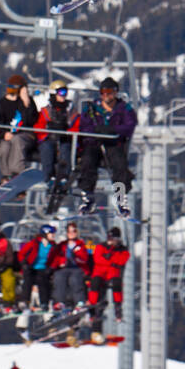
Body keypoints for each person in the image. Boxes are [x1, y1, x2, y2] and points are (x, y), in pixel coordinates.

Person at [77, 80, 137, 214]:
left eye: (109, 93)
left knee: (119, 165)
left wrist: (112, 130)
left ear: (115, 93)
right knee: (87, 161)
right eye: (103, 93)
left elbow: (129, 126)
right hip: (95, 143)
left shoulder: (123, 108)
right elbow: (84, 125)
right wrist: (96, 131)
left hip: (113, 143)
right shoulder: (92, 108)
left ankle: (121, 198)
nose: (106, 96)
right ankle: (88, 198)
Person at [0, 74, 39, 180]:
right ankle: (6, 175)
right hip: (7, 136)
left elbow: (31, 121)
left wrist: (26, 104)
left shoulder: (27, 102)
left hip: (25, 135)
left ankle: (17, 172)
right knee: (4, 147)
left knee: (17, 141)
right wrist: (4, 134)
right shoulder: (0, 104)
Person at [34, 84, 80, 190]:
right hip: (49, 138)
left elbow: (77, 125)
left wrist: (67, 132)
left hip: (65, 139)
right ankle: (49, 177)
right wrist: (47, 131)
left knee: (65, 149)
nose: (63, 95)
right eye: (61, 92)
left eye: (65, 92)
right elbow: (38, 126)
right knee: (46, 149)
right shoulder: (46, 111)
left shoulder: (71, 111)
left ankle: (64, 176)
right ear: (54, 93)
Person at [87, 226, 130, 332]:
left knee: (117, 283)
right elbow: (98, 259)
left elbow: (122, 260)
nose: (112, 241)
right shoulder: (101, 247)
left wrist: (109, 258)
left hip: (112, 274)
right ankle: (93, 307)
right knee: (95, 283)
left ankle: (118, 307)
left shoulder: (122, 249)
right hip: (100, 273)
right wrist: (112, 261)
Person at [51, 221, 91, 309]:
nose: (72, 234)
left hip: (77, 268)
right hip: (65, 267)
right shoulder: (63, 245)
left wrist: (77, 258)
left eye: (74, 231)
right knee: (59, 278)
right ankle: (60, 301)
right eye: (70, 232)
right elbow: (56, 256)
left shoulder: (80, 244)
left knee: (75, 280)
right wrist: (56, 265)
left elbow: (84, 258)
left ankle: (79, 301)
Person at [17, 223, 58, 311]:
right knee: (28, 281)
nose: (54, 235)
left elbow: (56, 258)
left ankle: (44, 303)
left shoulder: (53, 246)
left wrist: (51, 268)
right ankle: (24, 301)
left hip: (43, 268)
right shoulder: (34, 243)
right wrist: (24, 263)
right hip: (31, 267)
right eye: (52, 233)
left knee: (42, 281)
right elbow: (21, 253)